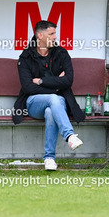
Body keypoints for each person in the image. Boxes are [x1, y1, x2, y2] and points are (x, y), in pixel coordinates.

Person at [13, 20, 84, 171]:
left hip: (57, 103)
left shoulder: (61, 53)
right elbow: (28, 87)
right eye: (51, 34)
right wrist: (56, 84)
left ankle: (49, 158)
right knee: (54, 98)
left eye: (54, 33)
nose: (54, 37)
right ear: (40, 35)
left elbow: (68, 80)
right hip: (33, 103)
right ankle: (69, 135)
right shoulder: (26, 57)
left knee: (51, 110)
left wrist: (41, 81)